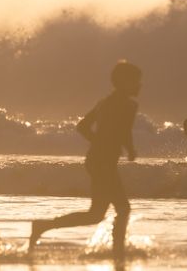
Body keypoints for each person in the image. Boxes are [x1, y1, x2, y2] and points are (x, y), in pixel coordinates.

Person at [29, 60, 142, 261]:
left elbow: (82, 126)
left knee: (97, 214)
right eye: (136, 81)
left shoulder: (104, 102)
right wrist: (130, 149)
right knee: (121, 209)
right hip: (104, 163)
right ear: (124, 82)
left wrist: (99, 142)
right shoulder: (129, 105)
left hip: (95, 160)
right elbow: (124, 131)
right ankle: (118, 255)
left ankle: (43, 226)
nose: (139, 85)